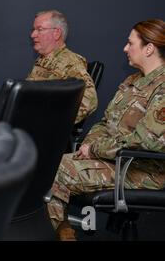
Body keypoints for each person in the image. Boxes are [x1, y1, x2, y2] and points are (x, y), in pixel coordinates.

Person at [48, 19, 165, 240]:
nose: (125, 48)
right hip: (116, 161)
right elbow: (104, 122)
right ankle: (62, 234)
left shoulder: (163, 87)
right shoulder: (132, 81)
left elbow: (144, 141)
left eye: (130, 43)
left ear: (149, 48)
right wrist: (88, 145)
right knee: (49, 165)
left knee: (56, 171)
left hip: (145, 171)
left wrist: (94, 150)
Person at [27, 10, 98, 124]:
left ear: (56, 33)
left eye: (39, 29)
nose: (33, 35)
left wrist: (49, 120)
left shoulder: (70, 62)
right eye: (33, 30)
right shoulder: (43, 61)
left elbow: (90, 101)